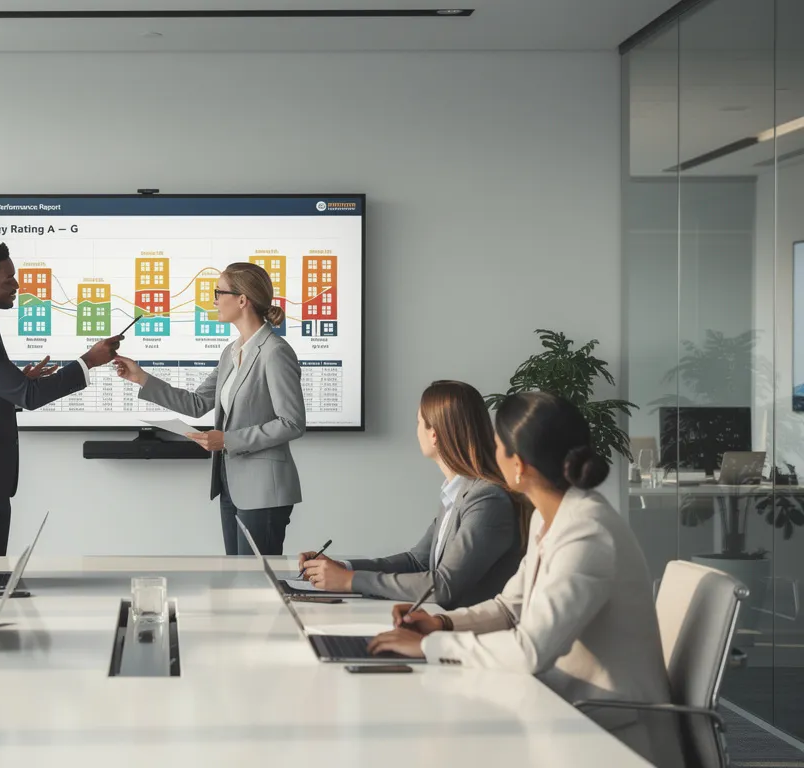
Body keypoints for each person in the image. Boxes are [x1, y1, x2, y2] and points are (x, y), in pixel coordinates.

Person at [368, 392, 683, 768]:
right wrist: (441, 623)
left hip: (610, 733)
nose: (492, 454)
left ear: (518, 465)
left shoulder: (587, 533)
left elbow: (530, 651)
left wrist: (430, 646)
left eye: (497, 446)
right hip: (565, 709)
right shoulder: (550, 519)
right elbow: (509, 608)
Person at [0, 238, 123, 555]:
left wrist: (18, 382)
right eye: (8, 280)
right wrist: (88, 361)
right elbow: (29, 397)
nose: (17, 285)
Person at [113, 262, 304, 555]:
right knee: (238, 575)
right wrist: (141, 378)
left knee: (256, 578)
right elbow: (197, 403)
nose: (213, 301)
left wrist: (228, 440)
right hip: (230, 484)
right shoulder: (232, 352)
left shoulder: (275, 352)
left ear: (242, 300)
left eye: (218, 292)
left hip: (264, 490)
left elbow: (291, 422)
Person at [297, 380, 527, 608]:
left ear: (434, 434)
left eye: (419, 422)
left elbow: (444, 585)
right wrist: (344, 568)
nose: (417, 431)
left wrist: (351, 581)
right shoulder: (457, 492)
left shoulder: (486, 499)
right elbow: (417, 561)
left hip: (466, 626)